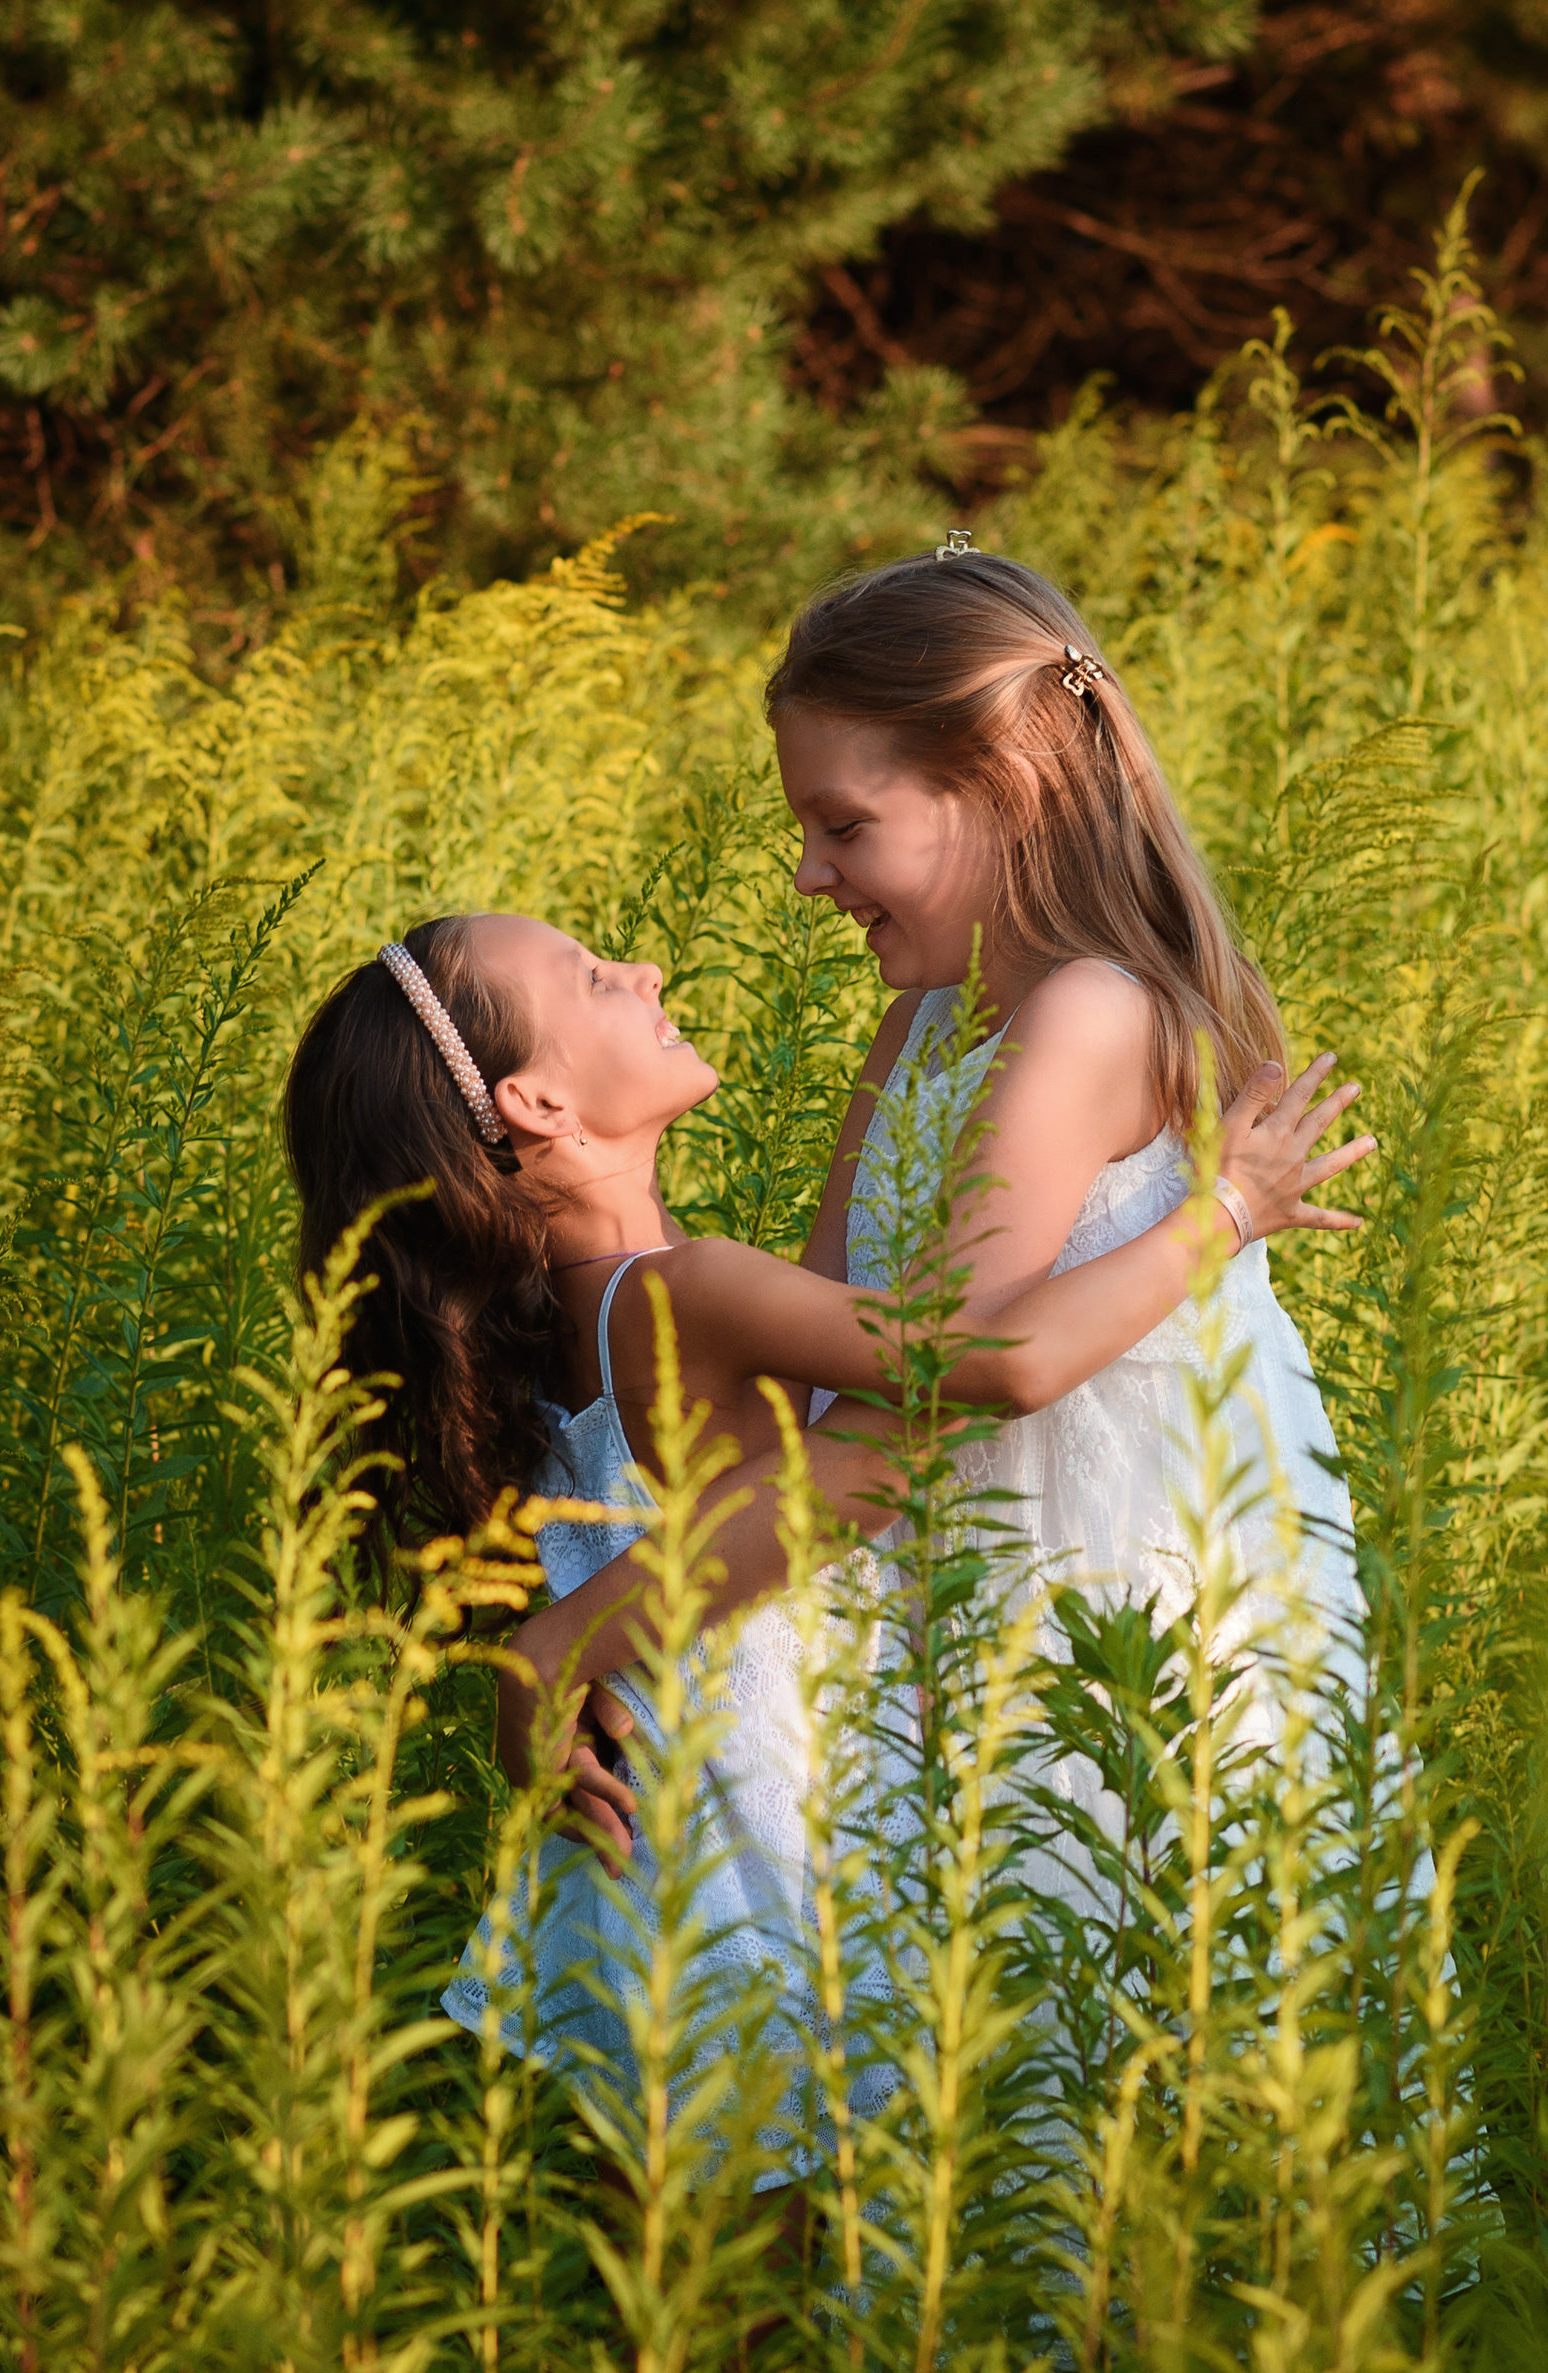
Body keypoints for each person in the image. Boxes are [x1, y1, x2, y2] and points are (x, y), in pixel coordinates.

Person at [277, 913, 1368, 2157]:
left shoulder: (590, 1315)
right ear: (534, 1103)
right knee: (779, 2283)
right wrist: (1229, 1206)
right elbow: (983, 1363)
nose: (645, 968)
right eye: (592, 977)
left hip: (665, 1833)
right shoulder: (686, 1295)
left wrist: (922, 1003)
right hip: (760, 1841)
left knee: (712, 2289)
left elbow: (839, 1267)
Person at [505, 548, 1372, 1868]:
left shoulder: (1089, 1014)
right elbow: (821, 1365)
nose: (809, 873)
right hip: (949, 1585)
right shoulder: (924, 1020)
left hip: (1112, 1593)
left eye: (844, 826)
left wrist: (581, 1631)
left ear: (1004, 789)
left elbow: (931, 1394)